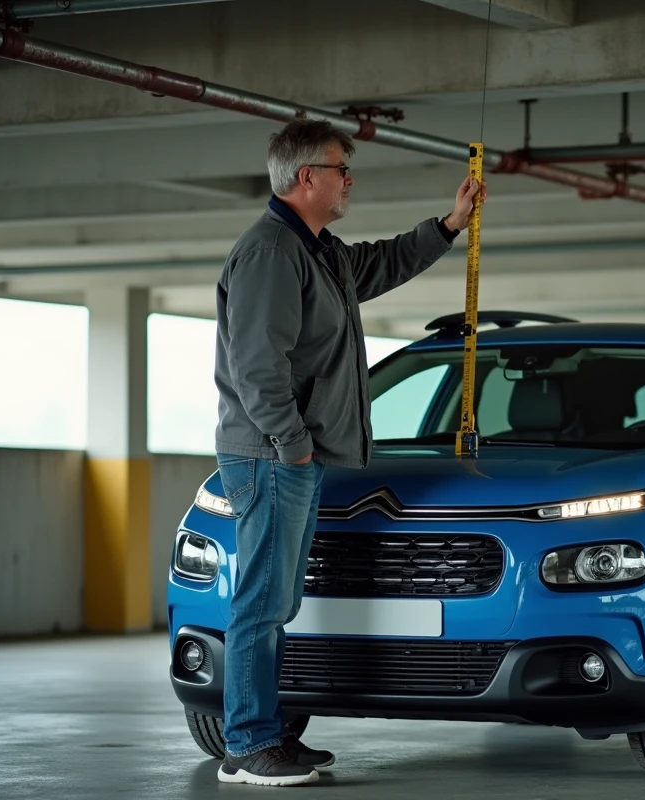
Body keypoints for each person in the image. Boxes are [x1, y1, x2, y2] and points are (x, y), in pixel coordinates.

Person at [210, 118, 485, 786]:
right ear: (307, 178)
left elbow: (381, 263)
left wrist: (448, 226)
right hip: (270, 458)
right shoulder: (271, 253)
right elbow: (257, 367)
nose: (349, 181)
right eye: (341, 170)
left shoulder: (318, 251)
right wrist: (293, 446)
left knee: (275, 604)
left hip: (287, 457)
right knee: (260, 604)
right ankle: (247, 745)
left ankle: (267, 732)